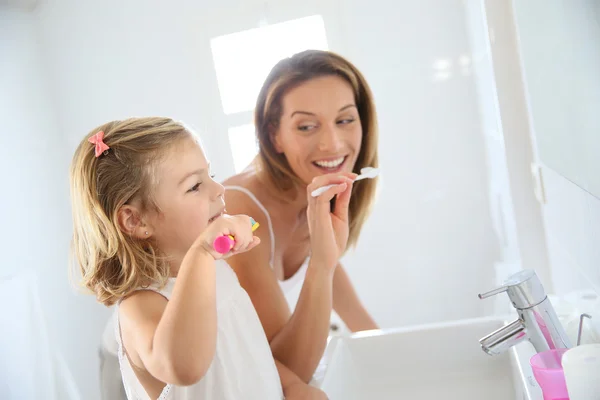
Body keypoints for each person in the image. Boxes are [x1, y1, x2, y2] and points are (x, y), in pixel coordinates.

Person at [70, 117, 338, 399]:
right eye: (195, 186)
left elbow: (248, 351)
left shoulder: (219, 272)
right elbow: (185, 367)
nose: (218, 189)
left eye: (210, 175)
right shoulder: (140, 307)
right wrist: (201, 254)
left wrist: (292, 387)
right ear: (135, 220)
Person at [223, 49, 379, 383]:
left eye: (345, 119)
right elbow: (286, 372)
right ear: (273, 135)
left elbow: (347, 301)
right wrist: (323, 263)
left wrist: (399, 362)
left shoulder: (310, 192)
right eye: (307, 126)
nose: (332, 144)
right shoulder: (241, 213)